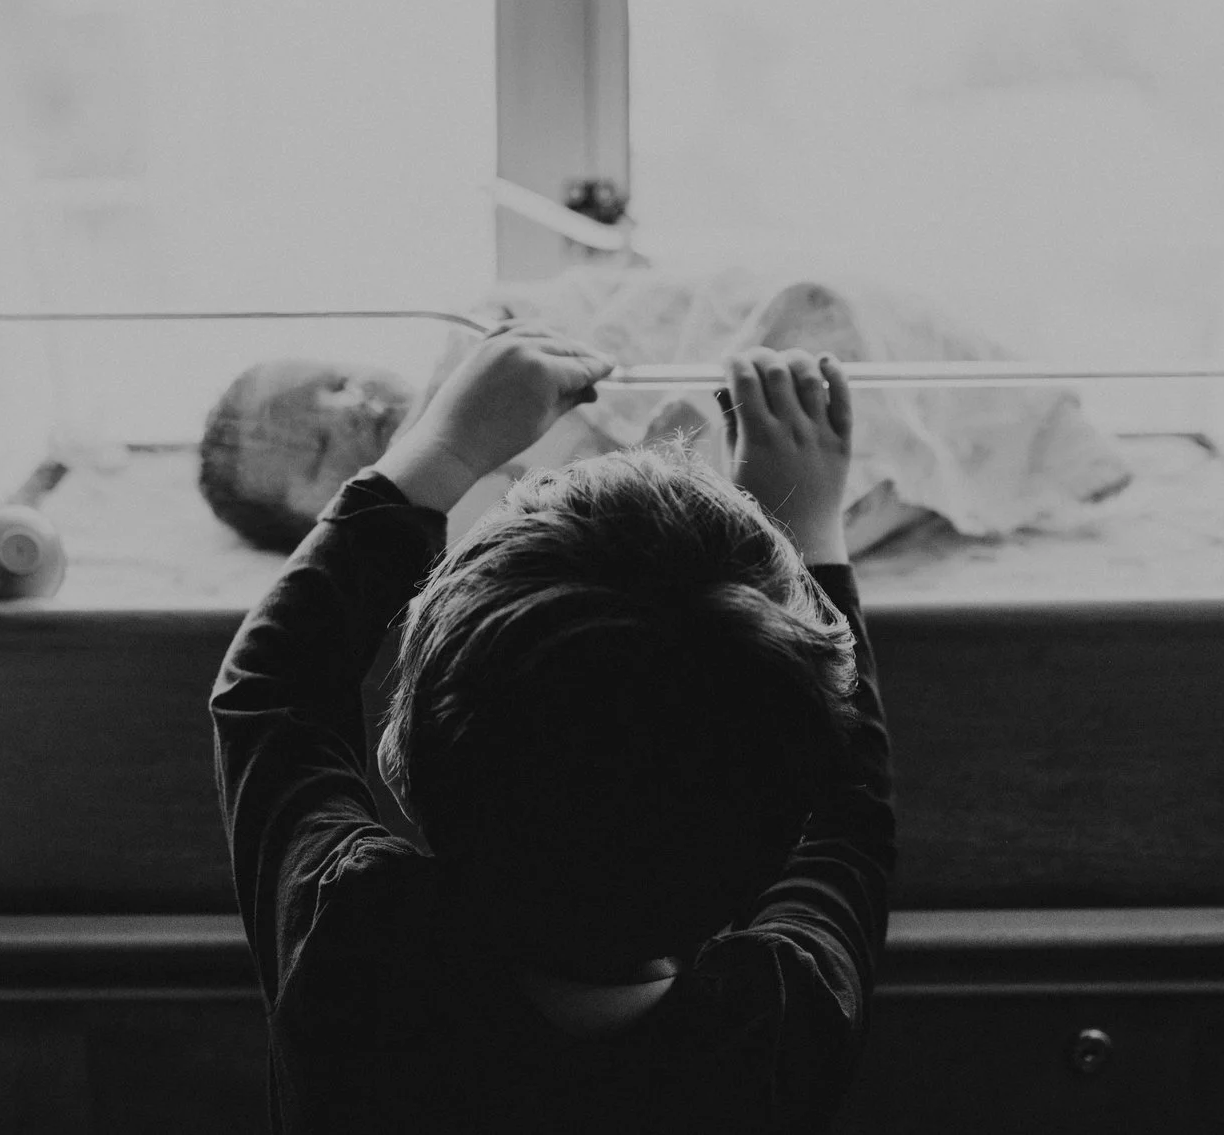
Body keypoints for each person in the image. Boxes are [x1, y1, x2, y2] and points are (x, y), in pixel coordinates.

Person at [210, 327, 895, 1133]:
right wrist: (810, 532)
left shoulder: (357, 951)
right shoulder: (781, 1025)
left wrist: (441, 450)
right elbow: (848, 812)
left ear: (404, 754)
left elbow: (272, 692)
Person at [199, 264, 1132, 555]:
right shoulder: (444, 521)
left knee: (812, 313)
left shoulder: (465, 355)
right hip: (670, 474)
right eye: (319, 438)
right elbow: (602, 499)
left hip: (664, 400)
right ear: (320, 519)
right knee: (794, 370)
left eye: (330, 380)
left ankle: (992, 434)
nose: (352, 403)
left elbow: (600, 317)